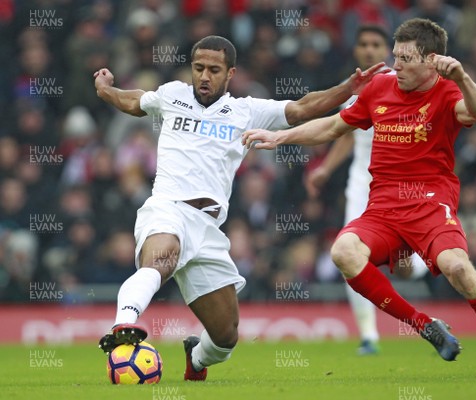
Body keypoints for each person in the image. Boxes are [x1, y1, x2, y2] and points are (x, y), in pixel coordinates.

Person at [243, 18, 476, 378]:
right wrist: (280, 138)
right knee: (342, 252)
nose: (395, 65)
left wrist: (461, 77)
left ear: (431, 61)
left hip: (430, 202)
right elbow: (334, 126)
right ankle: (424, 325)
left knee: (459, 270)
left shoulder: (447, 92)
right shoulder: (378, 87)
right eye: (395, 56)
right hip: (382, 206)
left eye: (405, 59)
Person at [93, 35, 387, 381]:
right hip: (167, 209)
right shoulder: (172, 95)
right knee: (161, 259)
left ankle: (197, 358)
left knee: (225, 337)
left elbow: (303, 108)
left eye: (214, 70)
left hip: (208, 229)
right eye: (198, 68)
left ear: (230, 73)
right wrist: (105, 90)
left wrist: (347, 87)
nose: (204, 76)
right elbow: (134, 101)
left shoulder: (247, 111)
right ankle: (124, 324)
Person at [305, 25, 428, 356]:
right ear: (356, 50)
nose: (370, 49)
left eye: (376, 44)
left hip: (402, 185)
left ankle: (417, 266)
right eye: (364, 44)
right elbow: (344, 131)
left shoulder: (403, 82)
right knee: (348, 254)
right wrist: (326, 169)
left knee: (403, 267)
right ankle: (369, 334)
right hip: (362, 186)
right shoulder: (358, 88)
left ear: (387, 49)